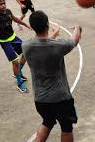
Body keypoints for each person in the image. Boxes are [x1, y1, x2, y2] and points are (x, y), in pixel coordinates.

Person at [22, 11, 82, 142]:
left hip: (40, 99)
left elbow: (44, 43)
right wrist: (77, 28)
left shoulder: (26, 46)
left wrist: (55, 34)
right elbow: (74, 40)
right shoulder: (58, 46)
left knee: (47, 122)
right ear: (47, 25)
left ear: (31, 27)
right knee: (66, 127)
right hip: (60, 98)